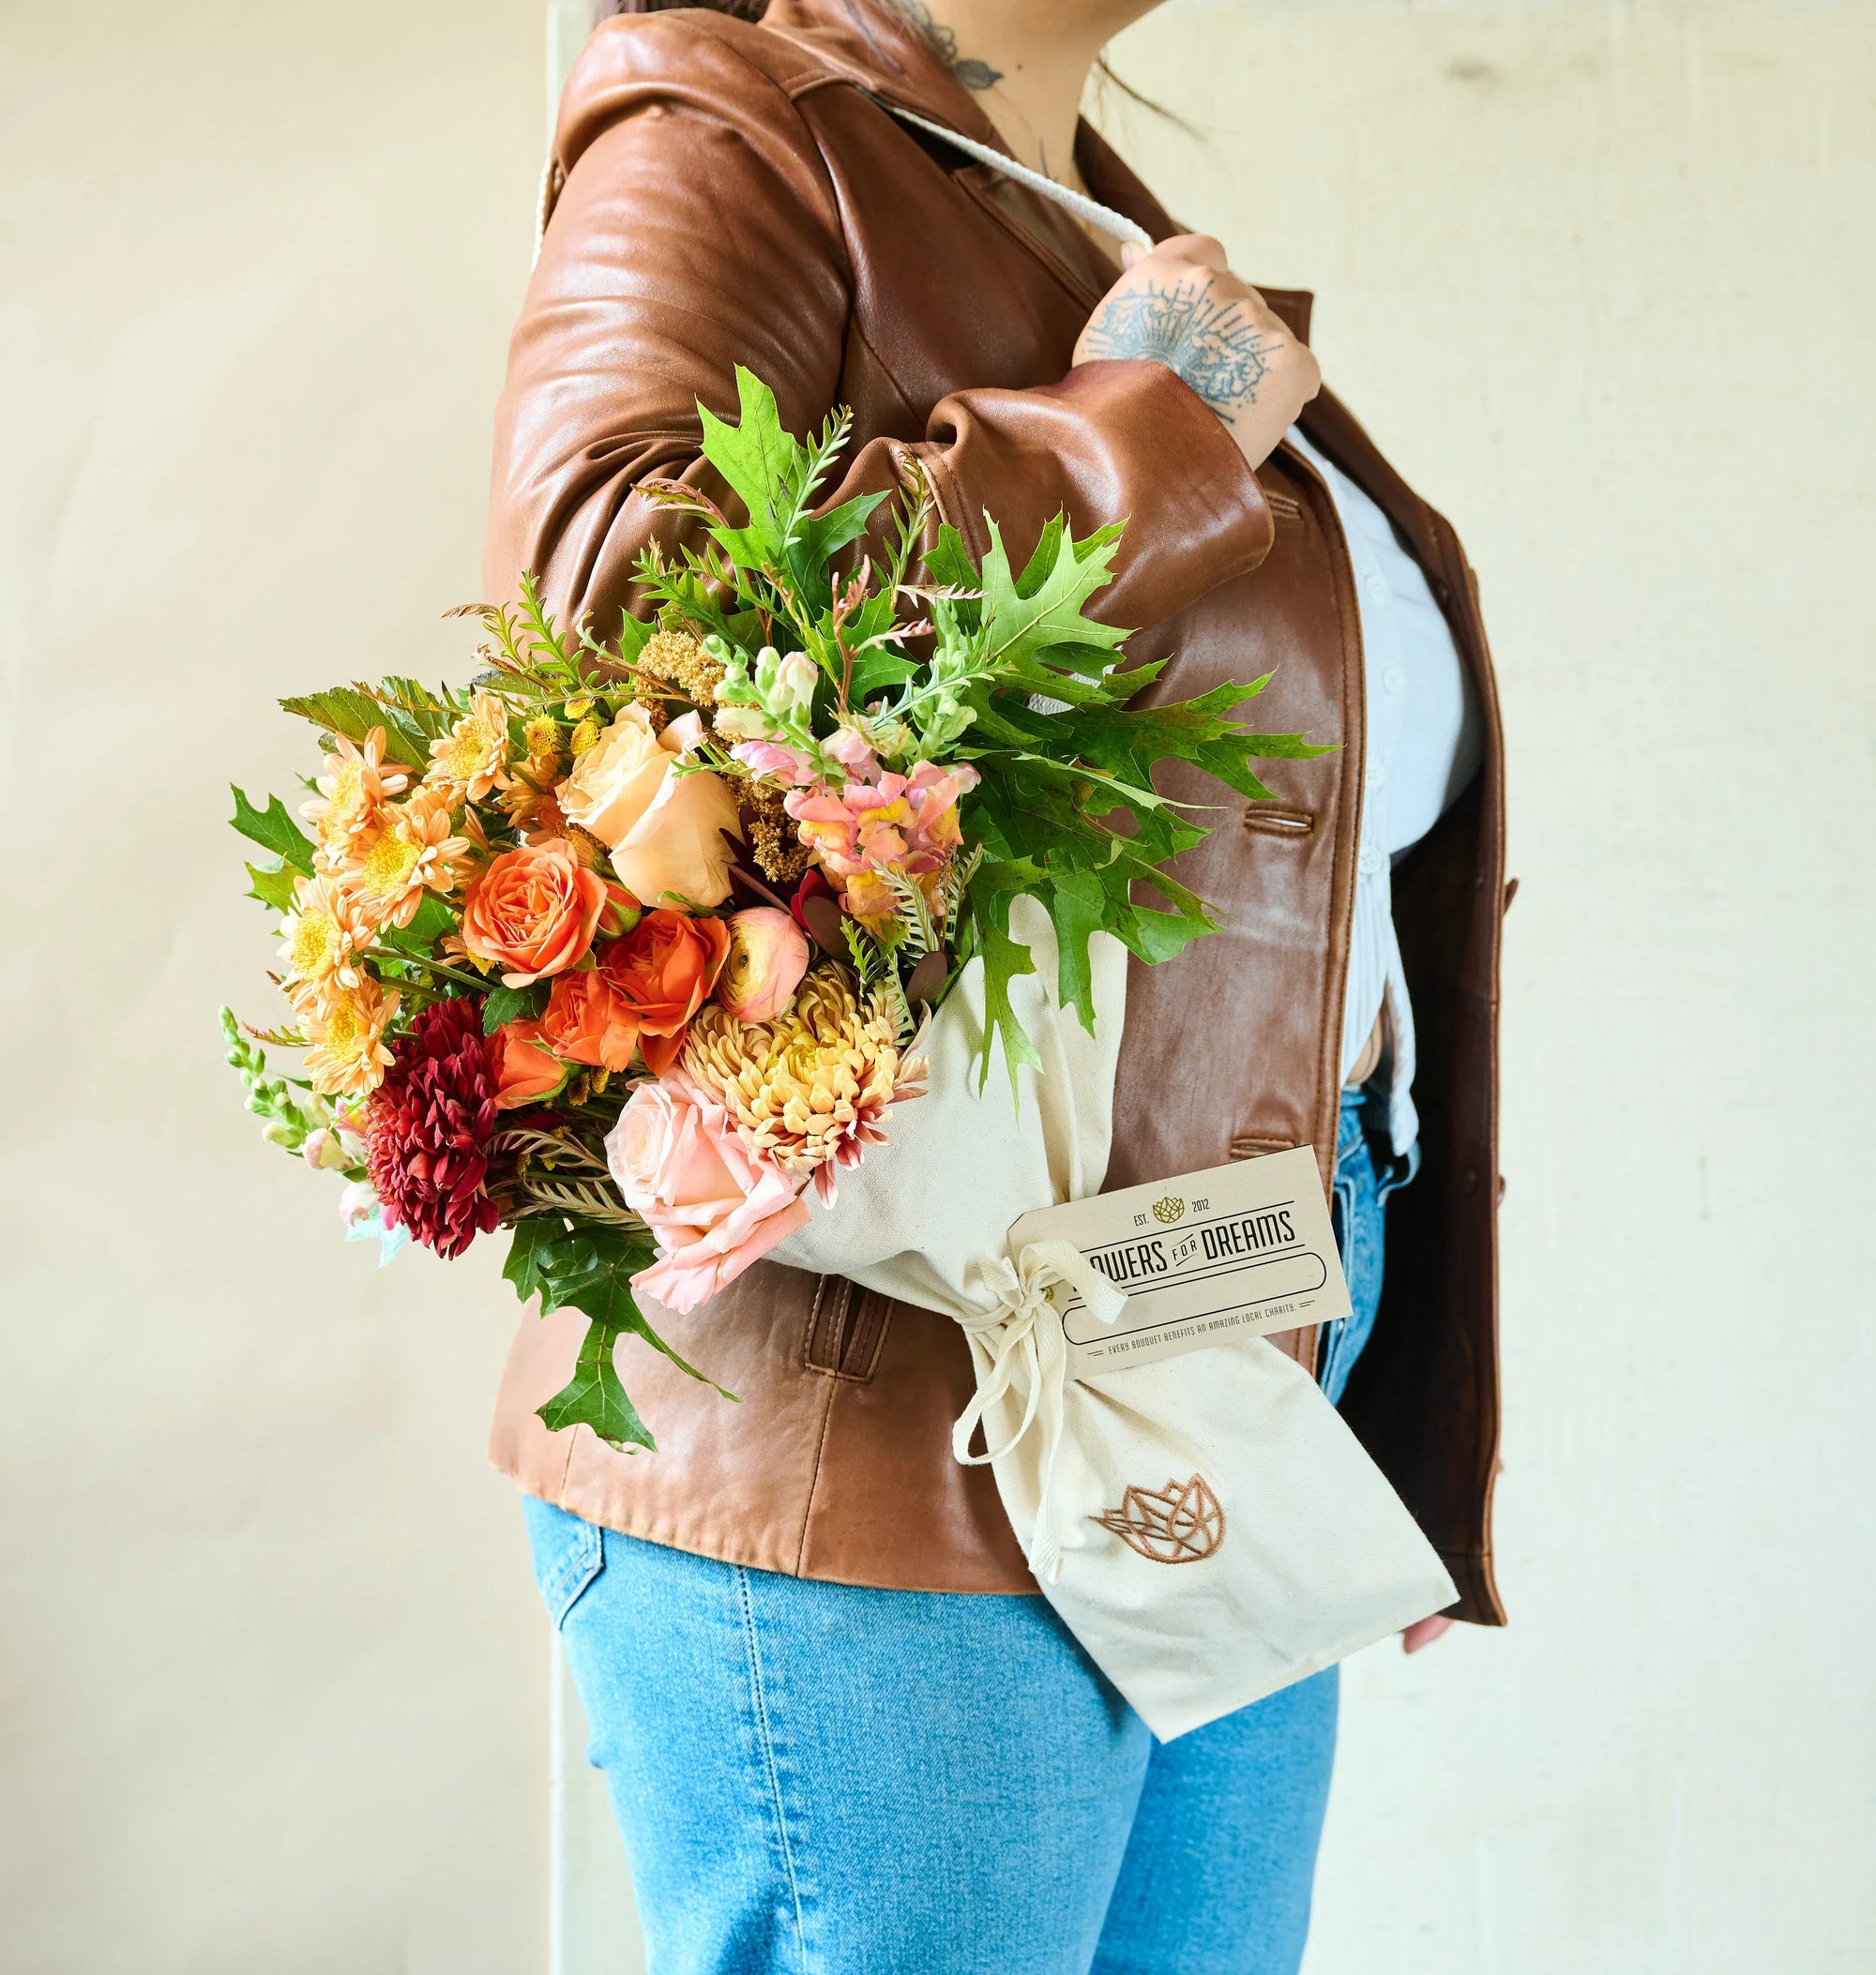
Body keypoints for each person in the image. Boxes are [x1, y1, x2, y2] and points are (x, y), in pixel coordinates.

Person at [483, 1, 1507, 1967]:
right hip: (882, 1404)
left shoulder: (1049, 202)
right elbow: (613, 613)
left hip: (1198, 1341)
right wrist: (1151, 428)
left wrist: (1358, 1376)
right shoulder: (730, 131)